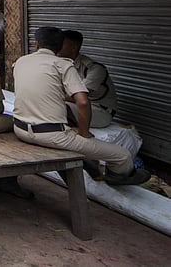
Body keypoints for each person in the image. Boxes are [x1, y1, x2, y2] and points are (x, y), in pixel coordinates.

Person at [13, 27, 149, 186]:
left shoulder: (21, 61)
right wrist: (84, 133)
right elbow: (83, 102)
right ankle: (115, 176)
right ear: (59, 45)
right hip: (51, 135)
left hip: (20, 129)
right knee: (123, 156)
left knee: (56, 106)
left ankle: (87, 158)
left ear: (36, 43)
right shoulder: (63, 64)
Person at [58, 30, 117, 129]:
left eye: (61, 44)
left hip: (99, 111)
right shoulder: (63, 64)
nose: (57, 47)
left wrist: (52, 94)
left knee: (57, 107)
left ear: (73, 47)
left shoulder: (95, 69)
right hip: (77, 105)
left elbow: (80, 97)